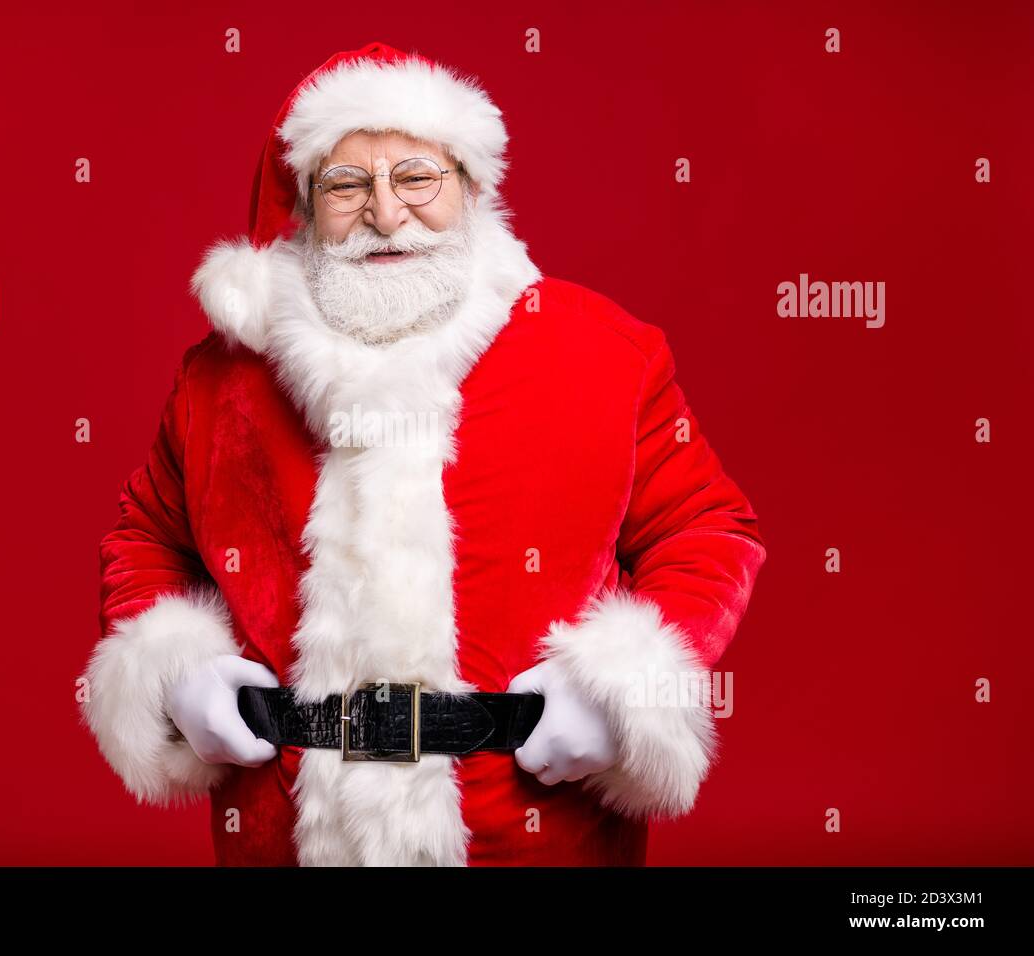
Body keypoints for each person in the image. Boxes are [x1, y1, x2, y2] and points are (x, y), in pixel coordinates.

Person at [79, 41, 766, 866]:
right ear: (303, 207)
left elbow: (709, 527)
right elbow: (145, 539)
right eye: (346, 185)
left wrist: (622, 688)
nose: (385, 213)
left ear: (472, 187)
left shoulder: (604, 353)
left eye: (416, 178)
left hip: (532, 836)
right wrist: (176, 669)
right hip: (287, 835)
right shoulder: (219, 381)